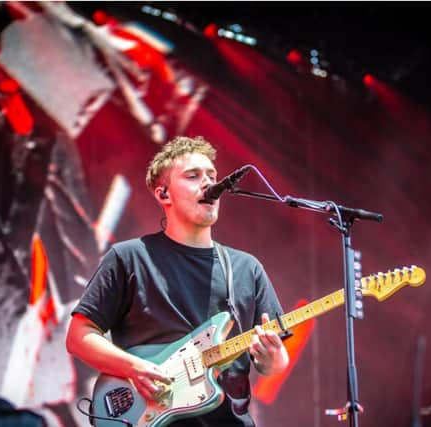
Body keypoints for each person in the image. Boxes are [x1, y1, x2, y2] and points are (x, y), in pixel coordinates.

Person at [66, 136, 289, 426]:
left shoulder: (247, 269)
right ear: (163, 195)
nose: (208, 183)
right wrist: (133, 367)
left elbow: (274, 365)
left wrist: (271, 356)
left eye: (212, 175)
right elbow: (78, 336)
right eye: (193, 176)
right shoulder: (129, 258)